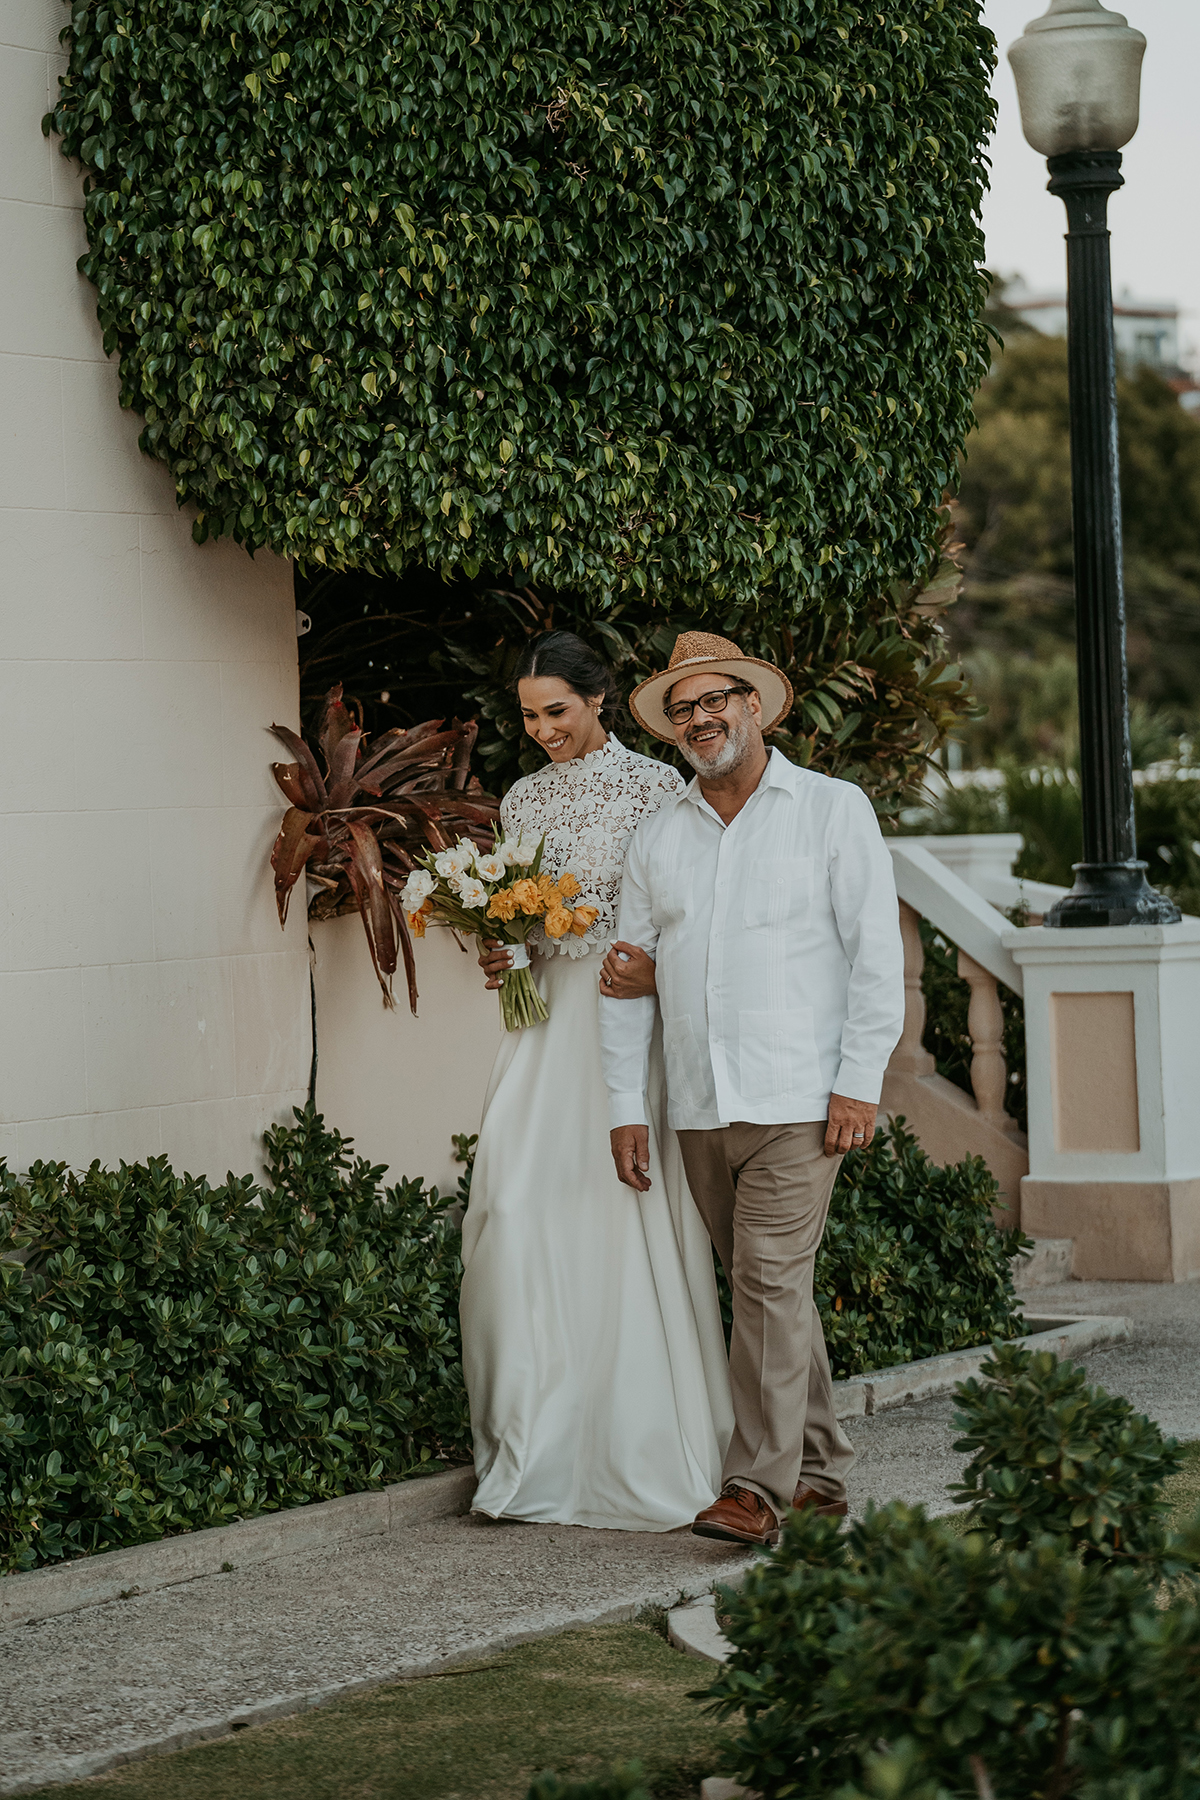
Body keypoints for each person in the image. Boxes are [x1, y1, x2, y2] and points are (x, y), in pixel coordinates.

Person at [598, 630, 905, 1547]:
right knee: (772, 1294)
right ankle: (820, 1475)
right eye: (683, 710)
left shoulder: (830, 809)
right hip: (698, 1106)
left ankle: (754, 1488)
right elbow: (625, 976)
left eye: (715, 701)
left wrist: (858, 1083)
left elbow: (875, 958)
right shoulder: (658, 836)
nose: (701, 719)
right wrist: (626, 1106)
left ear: (758, 706)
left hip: (801, 1101)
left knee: (768, 1283)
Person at [458, 630, 734, 1531]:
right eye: (529, 716)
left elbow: (687, 914)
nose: (542, 731)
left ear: (599, 699)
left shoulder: (658, 787)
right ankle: (536, 1441)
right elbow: (525, 925)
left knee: (618, 1216)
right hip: (542, 1023)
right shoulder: (521, 798)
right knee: (513, 1207)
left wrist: (659, 976)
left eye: (557, 712)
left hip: (626, 1021)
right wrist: (502, 950)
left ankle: (640, 1446)